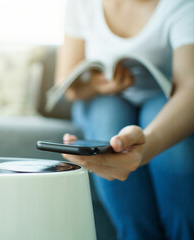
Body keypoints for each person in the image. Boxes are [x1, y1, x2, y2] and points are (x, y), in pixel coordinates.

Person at [56, 0, 194, 239]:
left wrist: (148, 145)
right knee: (108, 117)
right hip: (102, 99)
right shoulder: (82, 4)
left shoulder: (182, 5)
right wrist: (97, 84)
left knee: (170, 142)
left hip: (162, 96)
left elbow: (189, 86)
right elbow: (69, 87)